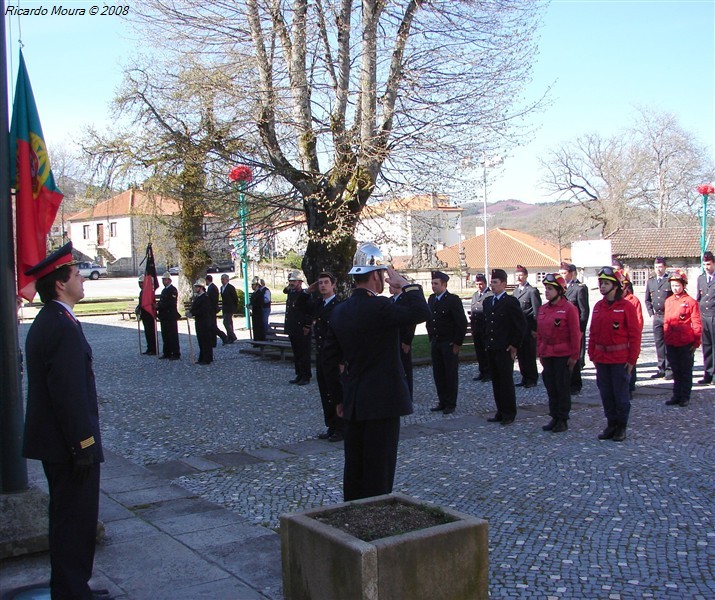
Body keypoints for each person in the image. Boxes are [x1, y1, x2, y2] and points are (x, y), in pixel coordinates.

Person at [23, 242, 107, 599]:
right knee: (75, 522)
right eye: (76, 274)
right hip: (69, 447)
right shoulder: (59, 326)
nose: (82, 279)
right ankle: (73, 592)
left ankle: (71, 587)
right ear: (60, 283)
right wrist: (84, 445)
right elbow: (69, 395)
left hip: (60, 444)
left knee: (68, 519)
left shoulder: (55, 320)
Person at [323, 242, 430, 501]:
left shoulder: (339, 311)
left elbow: (328, 360)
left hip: (354, 399)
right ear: (374, 276)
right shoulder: (380, 307)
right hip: (383, 400)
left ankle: (353, 513)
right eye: (382, 274)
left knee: (355, 465)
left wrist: (338, 398)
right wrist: (407, 285)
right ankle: (375, 517)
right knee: (379, 469)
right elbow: (422, 311)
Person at [589, 267, 642, 442]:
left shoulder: (626, 306)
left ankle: (621, 427)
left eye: (606, 283)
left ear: (616, 286)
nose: (602, 287)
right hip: (602, 359)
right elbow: (594, 334)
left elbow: (635, 335)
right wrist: (592, 355)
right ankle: (611, 424)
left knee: (620, 395)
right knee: (606, 394)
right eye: (601, 283)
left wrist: (632, 359)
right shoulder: (598, 307)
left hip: (620, 359)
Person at [536, 273, 581, 433]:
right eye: (546, 289)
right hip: (547, 354)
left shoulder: (569, 309)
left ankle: (562, 419)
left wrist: (575, 356)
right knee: (551, 387)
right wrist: (540, 351)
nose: (546, 292)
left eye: (550, 289)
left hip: (562, 355)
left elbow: (576, 334)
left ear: (559, 291)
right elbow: (540, 333)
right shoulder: (543, 309)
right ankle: (554, 416)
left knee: (562, 388)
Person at [484, 269, 527, 425]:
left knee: (506, 381)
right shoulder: (488, 302)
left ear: (504, 284)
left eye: (495, 282)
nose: (492, 285)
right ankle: (500, 411)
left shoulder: (510, 302)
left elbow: (520, 325)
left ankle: (509, 412)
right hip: (492, 346)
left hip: (504, 348)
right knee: (496, 381)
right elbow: (488, 325)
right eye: (492, 282)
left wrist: (514, 344)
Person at [427, 270, 468, 414]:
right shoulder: (432, 299)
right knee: (438, 373)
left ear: (444, 285)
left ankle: (451, 403)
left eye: (436, 284)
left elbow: (461, 323)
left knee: (450, 373)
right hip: (436, 342)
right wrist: (431, 336)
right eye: (432, 283)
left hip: (448, 342)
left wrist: (457, 342)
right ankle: (442, 401)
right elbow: (429, 320)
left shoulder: (452, 300)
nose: (433, 286)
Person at [313, 272, 344, 442]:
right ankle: (331, 425)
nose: (323, 285)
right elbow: (302, 304)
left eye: (326, 282)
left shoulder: (338, 306)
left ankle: (341, 427)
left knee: (337, 392)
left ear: (333, 285)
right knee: (325, 392)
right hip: (322, 356)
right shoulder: (319, 304)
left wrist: (342, 360)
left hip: (334, 357)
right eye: (320, 283)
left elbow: (342, 334)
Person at [664, 270, 701, 407]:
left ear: (683, 285)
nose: (675, 288)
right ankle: (676, 395)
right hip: (671, 341)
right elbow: (667, 321)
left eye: (678, 285)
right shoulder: (668, 301)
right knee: (675, 369)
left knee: (685, 370)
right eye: (673, 285)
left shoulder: (690, 302)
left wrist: (696, 341)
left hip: (685, 341)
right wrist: (666, 338)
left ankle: (685, 396)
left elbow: (696, 322)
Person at [559, 262, 589, 394]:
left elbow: (584, 310)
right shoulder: (561, 288)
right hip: (564, 328)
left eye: (564, 273)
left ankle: (576, 385)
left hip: (576, 327)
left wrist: (581, 329)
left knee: (575, 357)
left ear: (572, 273)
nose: (562, 275)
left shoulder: (579, 288)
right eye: (560, 273)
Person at [284, 270, 314, 385]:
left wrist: (307, 325)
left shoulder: (305, 295)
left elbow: (310, 312)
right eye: (290, 281)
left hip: (302, 328)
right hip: (293, 328)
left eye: (294, 281)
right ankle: (299, 374)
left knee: (304, 353)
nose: (291, 283)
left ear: (300, 282)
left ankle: (306, 375)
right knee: (296, 353)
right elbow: (285, 290)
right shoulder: (291, 293)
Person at [513, 264, 541, 387]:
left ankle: (532, 378)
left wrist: (535, 329)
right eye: (517, 275)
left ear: (526, 276)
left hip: (529, 328)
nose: (519, 278)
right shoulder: (515, 291)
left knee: (529, 355)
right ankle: (524, 377)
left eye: (521, 275)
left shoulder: (532, 291)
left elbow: (537, 311)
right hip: (519, 329)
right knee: (521, 355)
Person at [644, 257, 673, 379]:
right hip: (657, 316)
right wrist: (651, 313)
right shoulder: (651, 281)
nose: (658, 269)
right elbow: (647, 300)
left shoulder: (669, 280)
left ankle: (669, 369)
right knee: (659, 343)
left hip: (668, 316)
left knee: (669, 343)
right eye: (656, 267)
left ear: (665, 267)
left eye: (660, 267)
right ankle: (661, 368)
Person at [389, 279, 417, 399]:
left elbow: (411, 323)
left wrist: (407, 341)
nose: (389, 287)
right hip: (393, 341)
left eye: (391, 285)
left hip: (403, 340)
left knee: (405, 368)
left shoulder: (405, 300)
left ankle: (407, 394)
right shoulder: (390, 301)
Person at [620, 269, 644, 396]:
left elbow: (638, 321)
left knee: (631, 362)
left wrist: (633, 338)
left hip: (629, 338)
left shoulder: (633, 300)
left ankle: (630, 386)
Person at [469, 273, 493, 382]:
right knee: (479, 352)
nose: (479, 286)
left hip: (485, 328)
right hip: (476, 328)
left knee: (486, 352)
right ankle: (482, 371)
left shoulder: (489, 295)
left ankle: (488, 372)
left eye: (481, 284)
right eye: (477, 284)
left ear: (485, 283)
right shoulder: (475, 295)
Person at [696, 251, 715, 384]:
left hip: (714, 316)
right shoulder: (701, 279)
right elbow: (699, 298)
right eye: (704, 264)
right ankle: (707, 373)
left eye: (708, 264)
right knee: (706, 346)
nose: (706, 267)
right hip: (704, 317)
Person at [187, 278, 214, 365]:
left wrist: (193, 313)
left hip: (204, 322)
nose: (195, 289)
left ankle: (207, 358)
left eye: (197, 287)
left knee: (205, 341)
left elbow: (203, 310)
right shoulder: (198, 297)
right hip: (199, 322)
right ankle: (202, 358)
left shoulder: (205, 298)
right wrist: (190, 312)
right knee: (201, 340)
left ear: (201, 287)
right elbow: (194, 307)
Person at [156, 272, 181, 360]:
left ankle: (176, 353)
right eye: (163, 280)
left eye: (165, 280)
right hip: (164, 316)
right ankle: (167, 352)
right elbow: (162, 301)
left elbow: (171, 303)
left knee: (173, 335)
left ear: (169, 280)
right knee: (165, 335)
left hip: (170, 315)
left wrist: (159, 306)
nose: (163, 281)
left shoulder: (173, 290)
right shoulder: (164, 290)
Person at [205, 274, 229, 346]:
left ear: (207, 280)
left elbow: (212, 300)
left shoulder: (212, 288)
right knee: (212, 327)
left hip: (212, 310)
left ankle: (224, 337)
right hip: (212, 309)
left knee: (213, 327)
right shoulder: (211, 287)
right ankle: (213, 342)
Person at [136, 275, 157, 355]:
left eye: (142, 283)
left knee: (151, 332)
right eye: (139, 283)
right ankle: (149, 348)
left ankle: (153, 349)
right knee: (147, 332)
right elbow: (140, 303)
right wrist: (138, 308)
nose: (140, 285)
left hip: (149, 314)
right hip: (144, 314)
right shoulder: (142, 292)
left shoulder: (148, 292)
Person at [220, 274, 239, 343]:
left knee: (226, 322)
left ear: (227, 280)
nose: (222, 281)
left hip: (230, 307)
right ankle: (230, 337)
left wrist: (234, 307)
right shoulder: (221, 288)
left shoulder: (231, 287)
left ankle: (232, 336)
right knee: (229, 323)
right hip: (225, 307)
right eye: (221, 279)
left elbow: (235, 298)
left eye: (223, 279)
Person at [249, 276, 267, 341]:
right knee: (255, 327)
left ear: (257, 285)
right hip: (255, 312)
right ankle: (256, 340)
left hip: (258, 312)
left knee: (259, 327)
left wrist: (253, 305)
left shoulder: (260, 293)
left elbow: (260, 303)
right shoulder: (254, 293)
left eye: (253, 285)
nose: (252, 286)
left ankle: (260, 340)